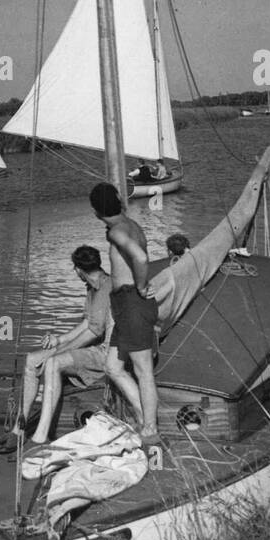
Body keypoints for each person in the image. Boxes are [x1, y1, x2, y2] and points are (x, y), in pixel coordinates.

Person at [14, 246, 113, 444]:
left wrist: (58, 351)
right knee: (31, 360)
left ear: (78, 270)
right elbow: (87, 322)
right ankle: (19, 427)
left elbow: (95, 331)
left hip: (106, 352)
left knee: (53, 363)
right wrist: (60, 340)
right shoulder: (92, 287)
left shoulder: (106, 288)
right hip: (93, 346)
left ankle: (40, 436)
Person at [89, 182, 161, 445]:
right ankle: (144, 416)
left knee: (143, 371)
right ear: (119, 202)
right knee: (112, 367)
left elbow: (140, 259)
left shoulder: (117, 232)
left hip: (132, 303)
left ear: (96, 212)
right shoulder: (129, 224)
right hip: (124, 305)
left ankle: (151, 431)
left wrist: (141, 286)